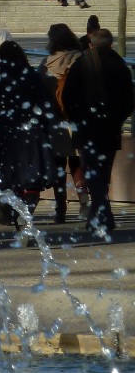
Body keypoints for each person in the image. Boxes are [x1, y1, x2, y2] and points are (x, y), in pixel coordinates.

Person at [0, 40, 59, 226]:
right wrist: (46, 125)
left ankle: (13, 211)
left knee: (9, 177)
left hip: (5, 134)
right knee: (32, 178)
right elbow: (47, 104)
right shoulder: (30, 74)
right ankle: (26, 210)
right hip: (30, 132)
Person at [60, 28, 135, 235]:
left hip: (86, 128)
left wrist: (77, 118)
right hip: (110, 128)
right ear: (110, 44)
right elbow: (129, 100)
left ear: (91, 44)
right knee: (103, 171)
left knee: (93, 172)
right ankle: (102, 216)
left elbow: (68, 96)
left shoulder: (81, 64)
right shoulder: (121, 65)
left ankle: (100, 216)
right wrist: (116, 119)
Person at [38, 23, 84, 223]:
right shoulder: (81, 59)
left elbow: (38, 93)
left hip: (54, 121)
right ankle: (84, 202)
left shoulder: (46, 63)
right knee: (77, 163)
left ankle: (60, 208)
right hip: (77, 119)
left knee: (58, 166)